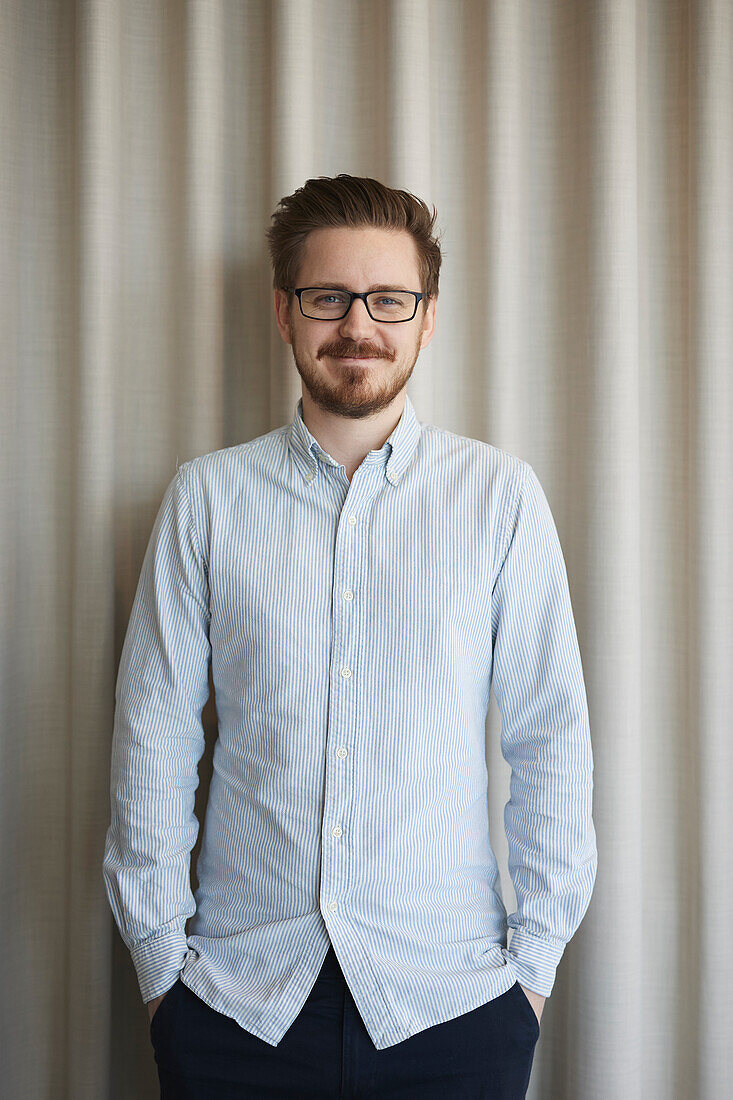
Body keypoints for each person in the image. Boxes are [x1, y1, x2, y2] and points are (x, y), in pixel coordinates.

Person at [102, 173, 597, 1098]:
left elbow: (551, 739)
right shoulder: (207, 501)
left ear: (428, 316)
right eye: (329, 297)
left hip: (454, 1010)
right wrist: (162, 970)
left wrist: (529, 975)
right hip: (236, 1009)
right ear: (286, 313)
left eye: (388, 299)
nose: (358, 325)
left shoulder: (499, 500)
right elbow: (152, 738)